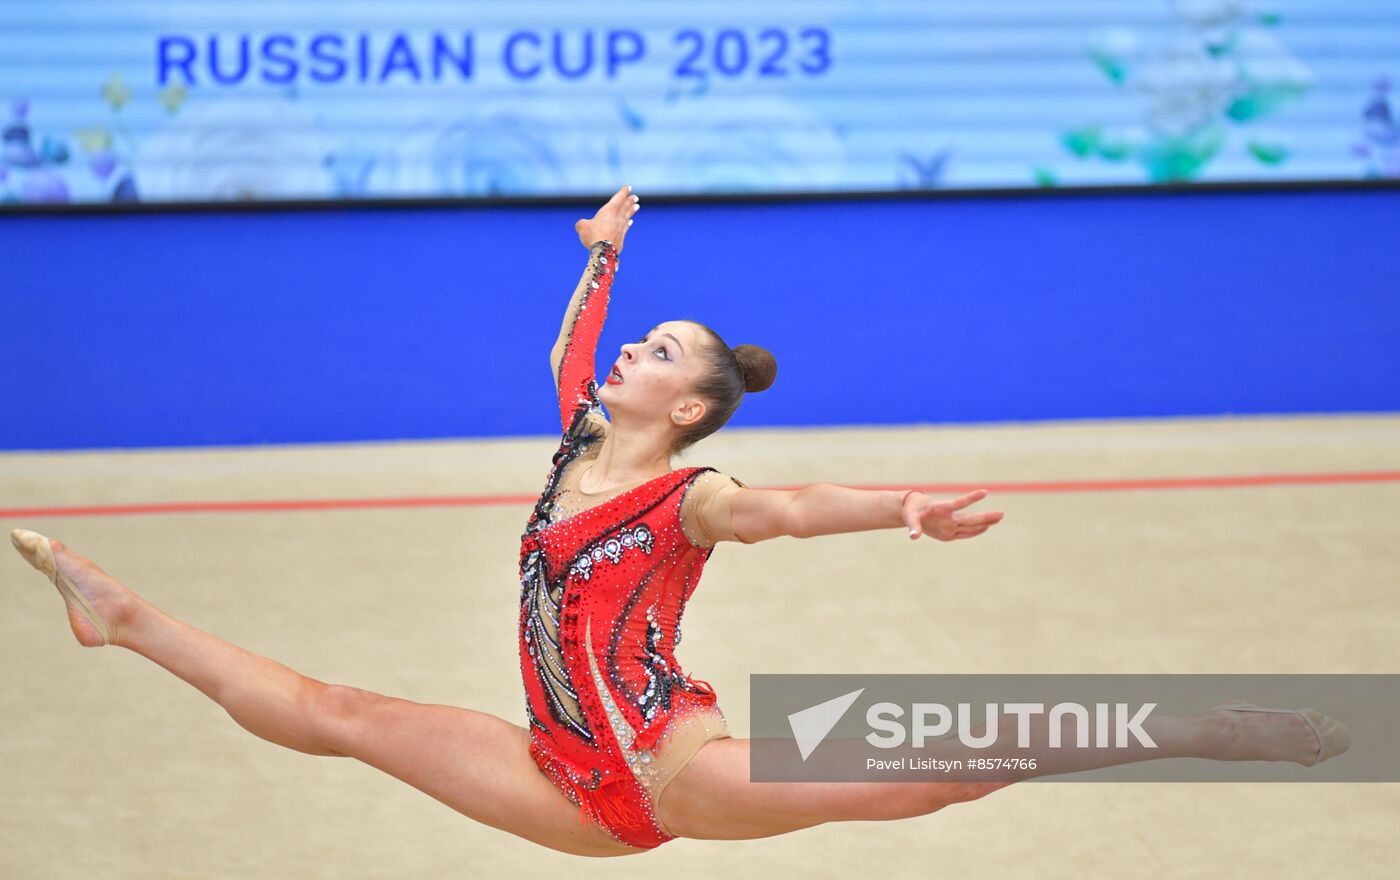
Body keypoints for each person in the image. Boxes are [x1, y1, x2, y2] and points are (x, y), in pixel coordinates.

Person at [9, 185, 1349, 860]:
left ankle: (1207, 724)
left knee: (954, 761)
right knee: (338, 713)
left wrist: (903, 510)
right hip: (559, 769)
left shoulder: (687, 495)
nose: (629, 356)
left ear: (693, 410)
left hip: (668, 764)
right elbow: (572, 342)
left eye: (658, 354)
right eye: (642, 344)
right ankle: (120, 617)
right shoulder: (580, 443)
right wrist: (604, 252)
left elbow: (787, 506)